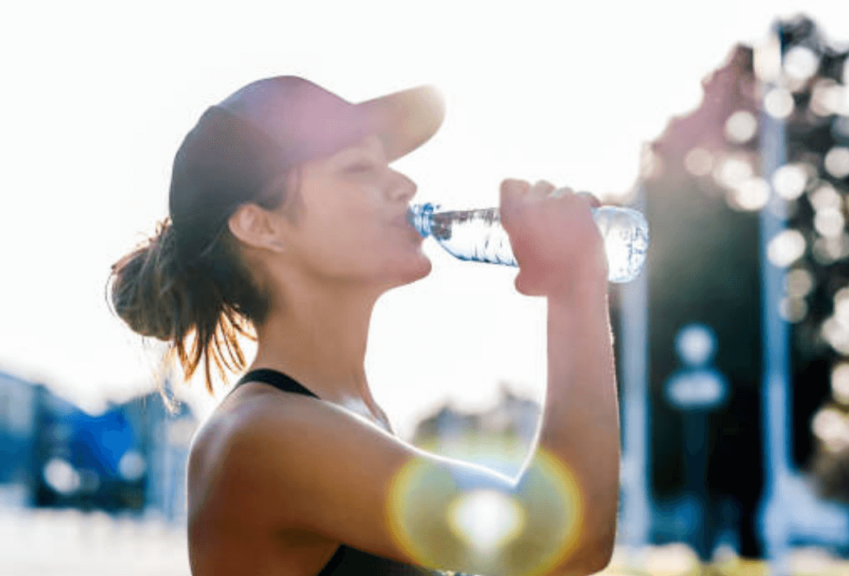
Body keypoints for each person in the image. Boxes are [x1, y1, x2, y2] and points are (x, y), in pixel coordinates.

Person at [109, 76, 620, 576]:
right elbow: (559, 543)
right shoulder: (261, 437)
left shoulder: (353, 417)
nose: (405, 183)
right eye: (357, 168)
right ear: (261, 225)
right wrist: (573, 283)